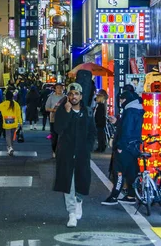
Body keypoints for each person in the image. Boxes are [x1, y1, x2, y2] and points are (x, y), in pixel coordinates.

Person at [54, 83, 96, 227]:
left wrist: (88, 147)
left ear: (81, 96)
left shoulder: (88, 112)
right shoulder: (62, 110)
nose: (73, 97)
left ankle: (79, 201)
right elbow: (58, 129)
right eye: (71, 94)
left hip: (82, 154)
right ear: (68, 96)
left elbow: (92, 132)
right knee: (68, 182)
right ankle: (71, 213)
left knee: (82, 180)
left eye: (76, 94)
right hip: (66, 152)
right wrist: (66, 113)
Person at [101, 89, 144, 206]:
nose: (120, 101)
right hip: (134, 146)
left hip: (125, 146)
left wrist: (120, 145)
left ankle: (114, 196)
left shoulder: (130, 111)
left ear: (126, 99)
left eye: (122, 99)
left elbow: (127, 130)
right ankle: (131, 195)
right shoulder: (138, 109)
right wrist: (116, 123)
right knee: (131, 171)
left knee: (118, 171)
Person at [0, 90, 23, 156]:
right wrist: (20, 123)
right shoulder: (16, 104)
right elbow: (19, 114)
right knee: (12, 136)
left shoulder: (4, 103)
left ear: (6, 97)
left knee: (8, 135)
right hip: (14, 123)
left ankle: (10, 147)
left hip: (6, 122)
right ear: (12, 97)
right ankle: (11, 147)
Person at [46, 83, 65, 156]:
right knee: (54, 136)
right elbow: (47, 108)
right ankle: (54, 150)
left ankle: (60, 151)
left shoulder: (65, 97)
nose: (60, 89)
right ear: (55, 89)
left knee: (62, 136)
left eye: (61, 88)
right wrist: (53, 110)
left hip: (63, 119)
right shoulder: (51, 97)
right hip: (53, 119)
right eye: (58, 88)